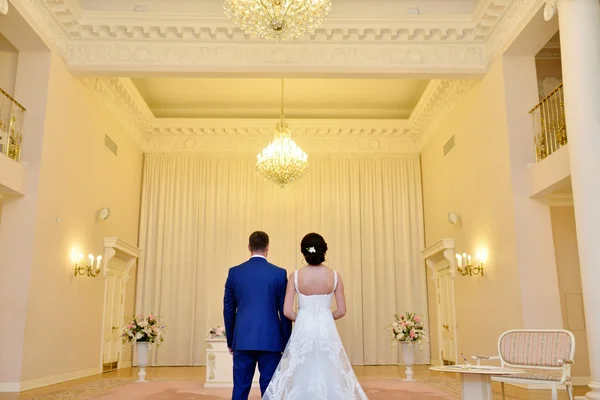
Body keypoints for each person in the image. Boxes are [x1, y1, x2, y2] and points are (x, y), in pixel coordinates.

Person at [262, 232, 368, 400]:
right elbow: (341, 310)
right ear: (324, 251)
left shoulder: (295, 276)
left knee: (302, 368)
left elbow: (287, 311)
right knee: (328, 368)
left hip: (304, 328)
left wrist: (304, 317)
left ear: (304, 252)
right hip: (327, 328)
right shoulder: (334, 276)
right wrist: (326, 316)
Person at [223, 231, 292, 400]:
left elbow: (228, 309)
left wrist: (231, 339)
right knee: (270, 389)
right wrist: (286, 341)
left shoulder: (235, 272)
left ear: (249, 247)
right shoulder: (279, 273)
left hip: (243, 339)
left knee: (240, 387)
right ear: (268, 247)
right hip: (271, 340)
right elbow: (284, 312)